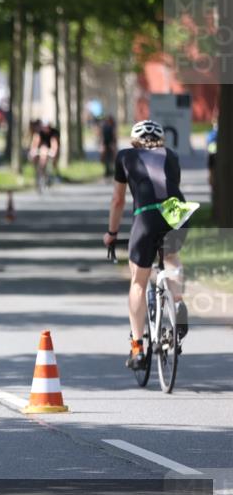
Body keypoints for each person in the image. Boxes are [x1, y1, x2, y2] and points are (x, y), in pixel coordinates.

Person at [103, 120, 190, 370]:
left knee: (138, 281)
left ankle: (138, 348)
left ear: (134, 141)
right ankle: (178, 302)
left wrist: (111, 233)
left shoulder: (125, 156)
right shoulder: (171, 155)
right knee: (171, 254)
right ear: (160, 140)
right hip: (178, 212)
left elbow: (118, 200)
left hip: (147, 215)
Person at [28, 120, 59, 188]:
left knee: (45, 152)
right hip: (41, 149)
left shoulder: (53, 132)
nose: (45, 128)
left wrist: (53, 151)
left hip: (49, 149)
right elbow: (35, 143)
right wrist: (32, 151)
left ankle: (49, 174)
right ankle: (38, 173)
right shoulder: (39, 133)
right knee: (37, 155)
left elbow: (54, 143)